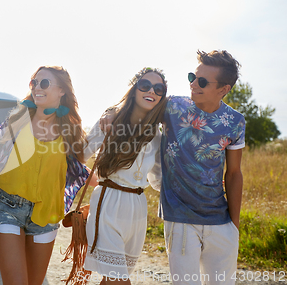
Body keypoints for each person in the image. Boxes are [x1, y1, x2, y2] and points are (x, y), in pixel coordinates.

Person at [101, 50, 245, 285]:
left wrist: (234, 227)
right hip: (179, 220)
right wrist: (111, 111)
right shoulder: (173, 107)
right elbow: (137, 104)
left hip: (221, 222)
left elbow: (234, 173)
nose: (193, 84)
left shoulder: (235, 121)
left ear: (223, 89)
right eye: (192, 77)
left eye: (202, 82)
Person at [0, 66, 90, 285]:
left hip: (47, 214)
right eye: (34, 83)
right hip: (7, 206)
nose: (37, 88)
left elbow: (83, 166)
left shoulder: (70, 131)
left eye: (44, 83)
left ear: (62, 90)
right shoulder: (18, 118)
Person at [82, 67, 167, 284]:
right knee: (118, 280)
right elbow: (80, 157)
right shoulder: (110, 121)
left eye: (159, 88)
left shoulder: (157, 136)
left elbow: (157, 180)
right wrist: (99, 184)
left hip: (137, 208)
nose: (152, 91)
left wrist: (196, 181)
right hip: (109, 203)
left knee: (114, 278)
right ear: (134, 89)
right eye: (145, 85)